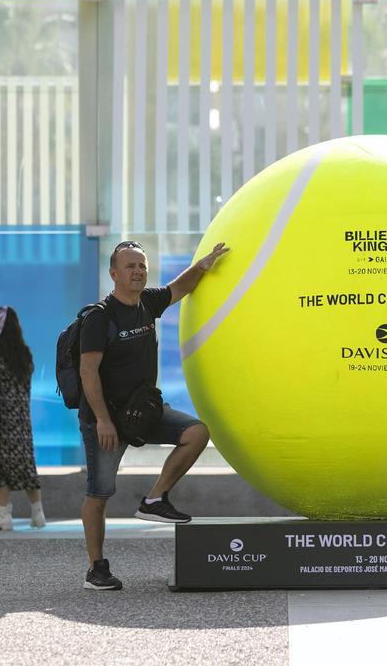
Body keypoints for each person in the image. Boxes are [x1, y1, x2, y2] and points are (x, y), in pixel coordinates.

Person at [79, 239, 228, 590]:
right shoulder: (100, 317)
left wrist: (205, 264)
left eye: (142, 265)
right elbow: (88, 372)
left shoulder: (148, 302)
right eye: (130, 266)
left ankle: (154, 499)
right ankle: (96, 569)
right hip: (107, 420)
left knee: (196, 433)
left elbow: (182, 286)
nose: (138, 271)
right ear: (113, 273)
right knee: (99, 494)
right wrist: (102, 420)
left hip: (143, 412)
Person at [0, 306, 44, 531]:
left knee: (0, 466)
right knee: (27, 465)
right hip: (22, 420)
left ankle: (5, 517)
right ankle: (38, 514)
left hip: (0, 419)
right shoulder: (25, 353)